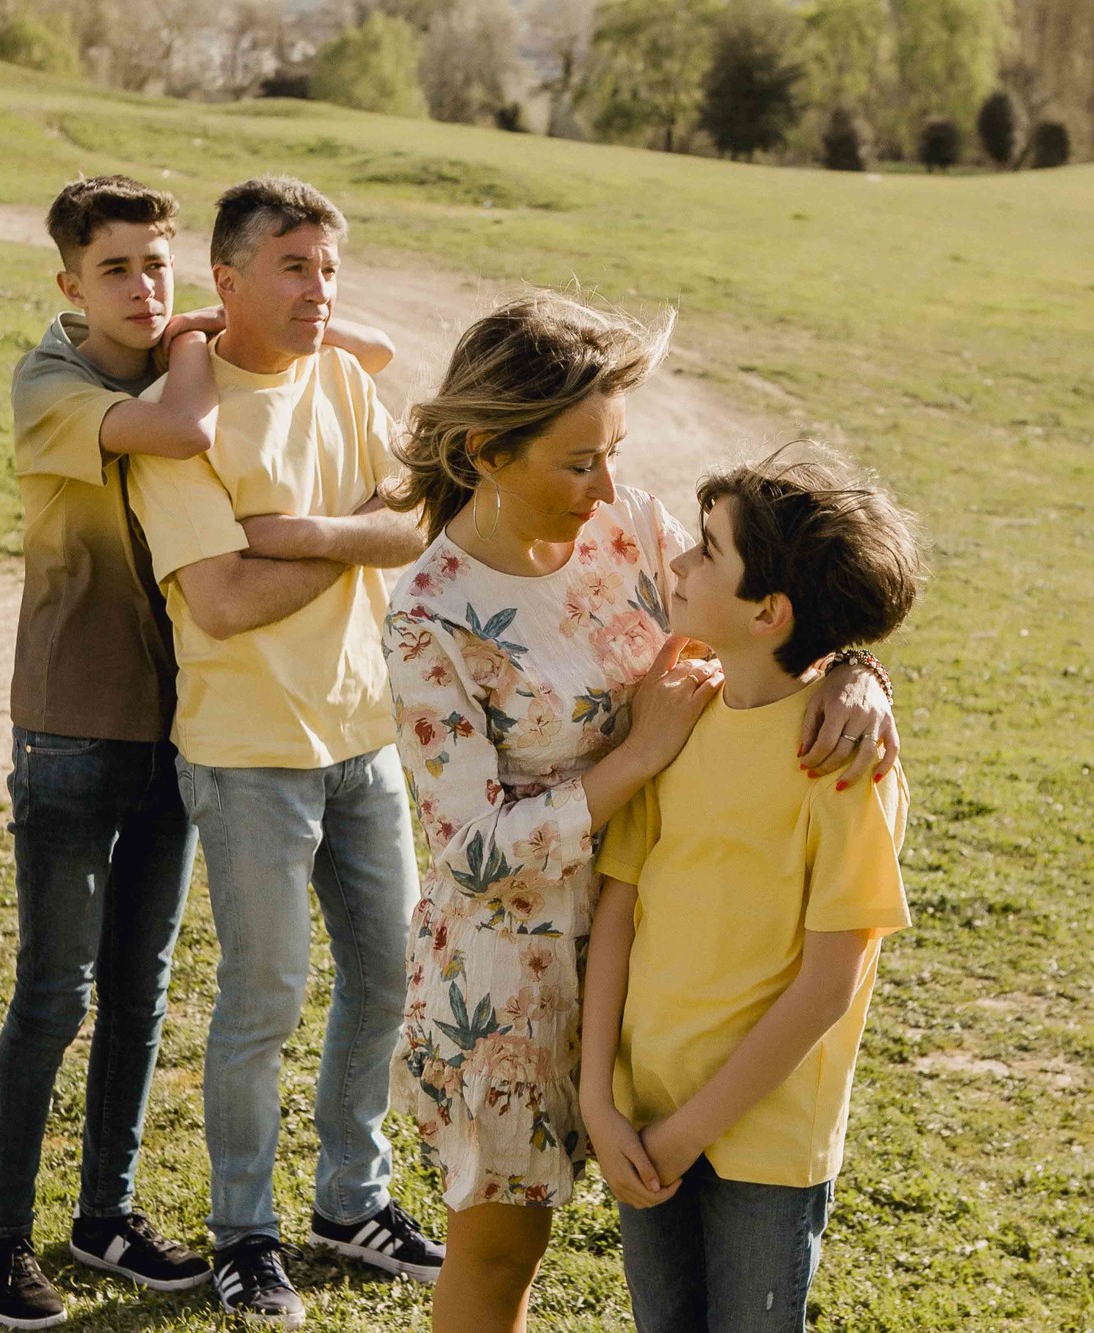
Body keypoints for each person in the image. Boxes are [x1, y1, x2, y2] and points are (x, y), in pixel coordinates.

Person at [381, 293, 898, 1333]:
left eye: (613, 451)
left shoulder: (620, 526)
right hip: (514, 974)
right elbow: (471, 850)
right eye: (579, 461)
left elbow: (766, 611)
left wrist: (853, 671)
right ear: (486, 451)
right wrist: (638, 756)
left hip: (665, 963)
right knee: (498, 1259)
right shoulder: (427, 613)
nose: (611, 486)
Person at [0, 173, 395, 1332]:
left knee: (140, 990)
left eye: (156, 265)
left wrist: (232, 319)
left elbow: (375, 353)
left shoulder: (182, 350)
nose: (140, 288)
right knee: (54, 993)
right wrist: (205, 330)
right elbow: (193, 444)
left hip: (170, 725)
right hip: (70, 719)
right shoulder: (61, 382)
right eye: (115, 269)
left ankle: (104, 1215)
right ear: (68, 284)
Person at [124, 175, 442, 1328]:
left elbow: (412, 521)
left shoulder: (349, 380)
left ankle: (350, 1201)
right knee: (264, 997)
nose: (320, 290)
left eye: (329, 269)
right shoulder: (185, 423)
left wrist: (308, 532)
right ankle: (243, 1234)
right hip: (247, 751)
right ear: (232, 278)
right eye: (296, 267)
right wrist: (355, 541)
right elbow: (218, 601)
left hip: (363, 737)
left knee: (388, 975)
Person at [582, 449, 922, 1332]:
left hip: (764, 1141)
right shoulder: (679, 712)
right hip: (640, 1105)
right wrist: (597, 1096)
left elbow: (828, 983)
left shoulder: (843, 766)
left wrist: (688, 1134)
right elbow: (618, 906)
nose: (682, 565)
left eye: (706, 551)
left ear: (769, 611)